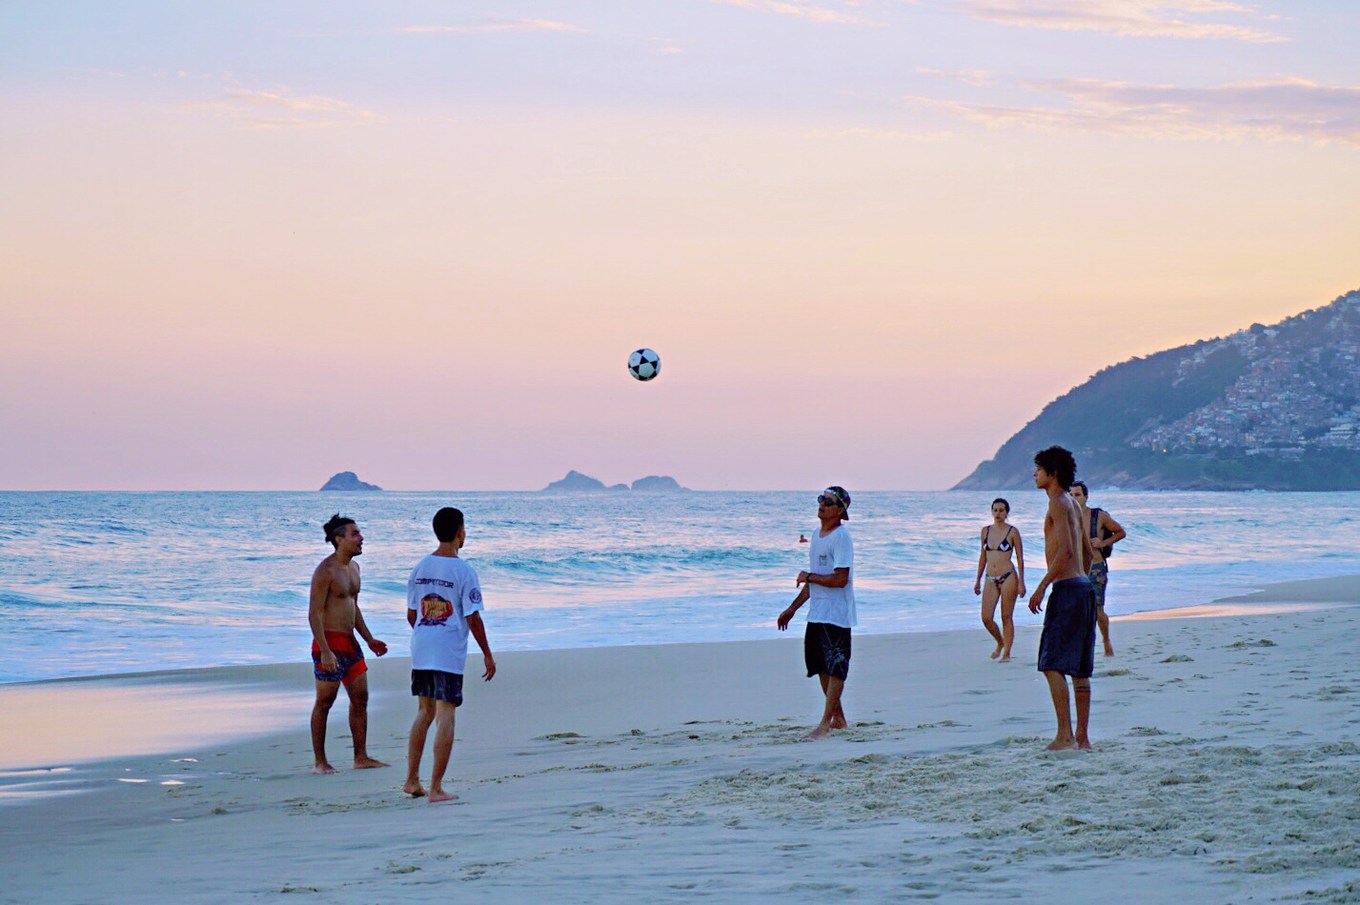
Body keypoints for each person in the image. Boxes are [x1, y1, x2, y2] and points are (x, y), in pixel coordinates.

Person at [404, 507, 496, 803]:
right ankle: (436, 788)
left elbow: (411, 614)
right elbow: (473, 617)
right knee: (446, 715)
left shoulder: (420, 568)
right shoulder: (464, 571)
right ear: (460, 533)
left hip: (421, 647)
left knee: (424, 712)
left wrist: (426, 632)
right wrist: (487, 654)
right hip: (447, 651)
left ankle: (411, 780)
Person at [1027, 448, 1097, 751]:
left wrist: (1042, 586)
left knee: (1051, 663)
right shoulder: (1073, 503)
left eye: (1039, 469)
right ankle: (1082, 738)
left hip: (1068, 589)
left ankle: (1065, 735)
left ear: (1052, 473)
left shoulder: (1058, 502)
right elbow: (1087, 552)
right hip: (1083, 587)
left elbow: (1066, 550)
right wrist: (1081, 578)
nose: (1035, 474)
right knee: (1079, 669)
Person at [309, 514, 389, 774]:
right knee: (325, 701)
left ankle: (361, 757)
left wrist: (369, 639)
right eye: (355, 534)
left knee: (361, 699)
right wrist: (325, 650)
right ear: (339, 539)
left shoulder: (354, 569)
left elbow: (353, 607)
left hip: (351, 643)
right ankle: (320, 762)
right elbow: (315, 613)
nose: (361, 537)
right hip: (329, 643)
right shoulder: (326, 571)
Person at [777, 486, 855, 740]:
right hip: (817, 613)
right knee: (821, 666)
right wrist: (792, 609)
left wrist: (809, 576)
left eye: (828, 501)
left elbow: (840, 579)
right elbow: (813, 582)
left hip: (837, 614)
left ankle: (824, 724)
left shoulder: (841, 538)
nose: (821, 504)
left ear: (840, 510)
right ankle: (839, 719)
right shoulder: (816, 535)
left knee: (836, 668)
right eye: (821, 499)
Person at [1070, 482, 1126, 657]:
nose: (1074, 499)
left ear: (1086, 497)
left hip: (1096, 568)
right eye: (1070, 495)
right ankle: (1082, 645)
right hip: (1075, 570)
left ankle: (1106, 640)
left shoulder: (1098, 516)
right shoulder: (1066, 518)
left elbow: (1120, 532)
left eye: (1077, 495)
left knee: (1097, 610)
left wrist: (1102, 543)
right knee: (1077, 610)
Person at [973, 498, 1026, 661]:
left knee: (1006, 616)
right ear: (991, 512)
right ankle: (1000, 642)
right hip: (990, 577)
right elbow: (983, 557)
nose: (998, 513)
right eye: (995, 510)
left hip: (1008, 576)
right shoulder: (985, 531)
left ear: (1006, 512)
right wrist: (978, 580)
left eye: (1001, 510)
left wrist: (1022, 583)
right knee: (986, 618)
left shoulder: (1013, 532)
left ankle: (1007, 652)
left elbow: (1020, 558)